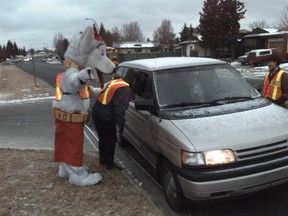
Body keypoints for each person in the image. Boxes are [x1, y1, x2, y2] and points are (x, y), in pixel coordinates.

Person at [92, 76, 132, 170]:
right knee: (111, 140)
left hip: (97, 112)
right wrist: (120, 125)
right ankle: (109, 164)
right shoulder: (125, 89)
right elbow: (119, 109)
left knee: (103, 138)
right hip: (105, 117)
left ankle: (103, 160)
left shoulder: (115, 82)